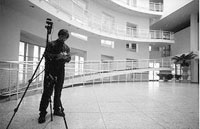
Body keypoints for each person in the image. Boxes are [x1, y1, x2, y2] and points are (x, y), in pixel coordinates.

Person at [38, 29, 71, 124]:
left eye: (65, 36)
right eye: (62, 35)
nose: (63, 37)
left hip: (61, 71)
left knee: (58, 91)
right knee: (47, 92)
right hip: (51, 71)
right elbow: (46, 55)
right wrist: (57, 56)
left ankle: (57, 109)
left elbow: (69, 58)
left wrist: (64, 57)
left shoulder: (66, 47)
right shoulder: (51, 44)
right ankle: (42, 113)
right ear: (59, 35)